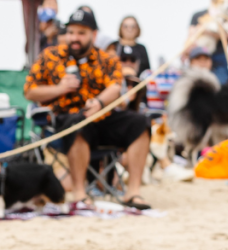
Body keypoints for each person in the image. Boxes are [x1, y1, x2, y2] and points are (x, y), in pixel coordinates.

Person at [24, 9, 150, 209]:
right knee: (77, 122)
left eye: (81, 33)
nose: (75, 37)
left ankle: (133, 192)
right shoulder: (50, 56)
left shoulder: (107, 59)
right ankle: (80, 194)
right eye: (71, 32)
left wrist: (99, 102)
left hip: (101, 118)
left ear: (94, 35)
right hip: (66, 122)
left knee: (140, 122)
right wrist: (60, 88)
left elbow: (115, 87)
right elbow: (30, 92)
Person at [188, 4, 228, 85]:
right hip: (199, 54)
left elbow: (226, 34)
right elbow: (191, 36)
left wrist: (203, 29)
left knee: (221, 84)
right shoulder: (198, 15)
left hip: (219, 57)